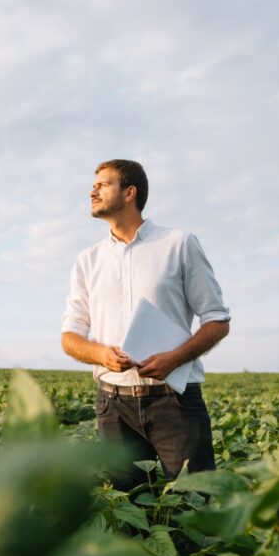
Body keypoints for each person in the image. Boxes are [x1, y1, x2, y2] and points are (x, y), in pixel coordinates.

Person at [61, 159, 230, 491]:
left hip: (175, 403)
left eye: (103, 184)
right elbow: (70, 337)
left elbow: (217, 320)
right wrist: (101, 355)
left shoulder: (179, 244)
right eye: (93, 184)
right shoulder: (87, 261)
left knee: (192, 508)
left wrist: (175, 358)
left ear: (130, 193)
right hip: (113, 407)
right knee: (129, 513)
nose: (92, 190)